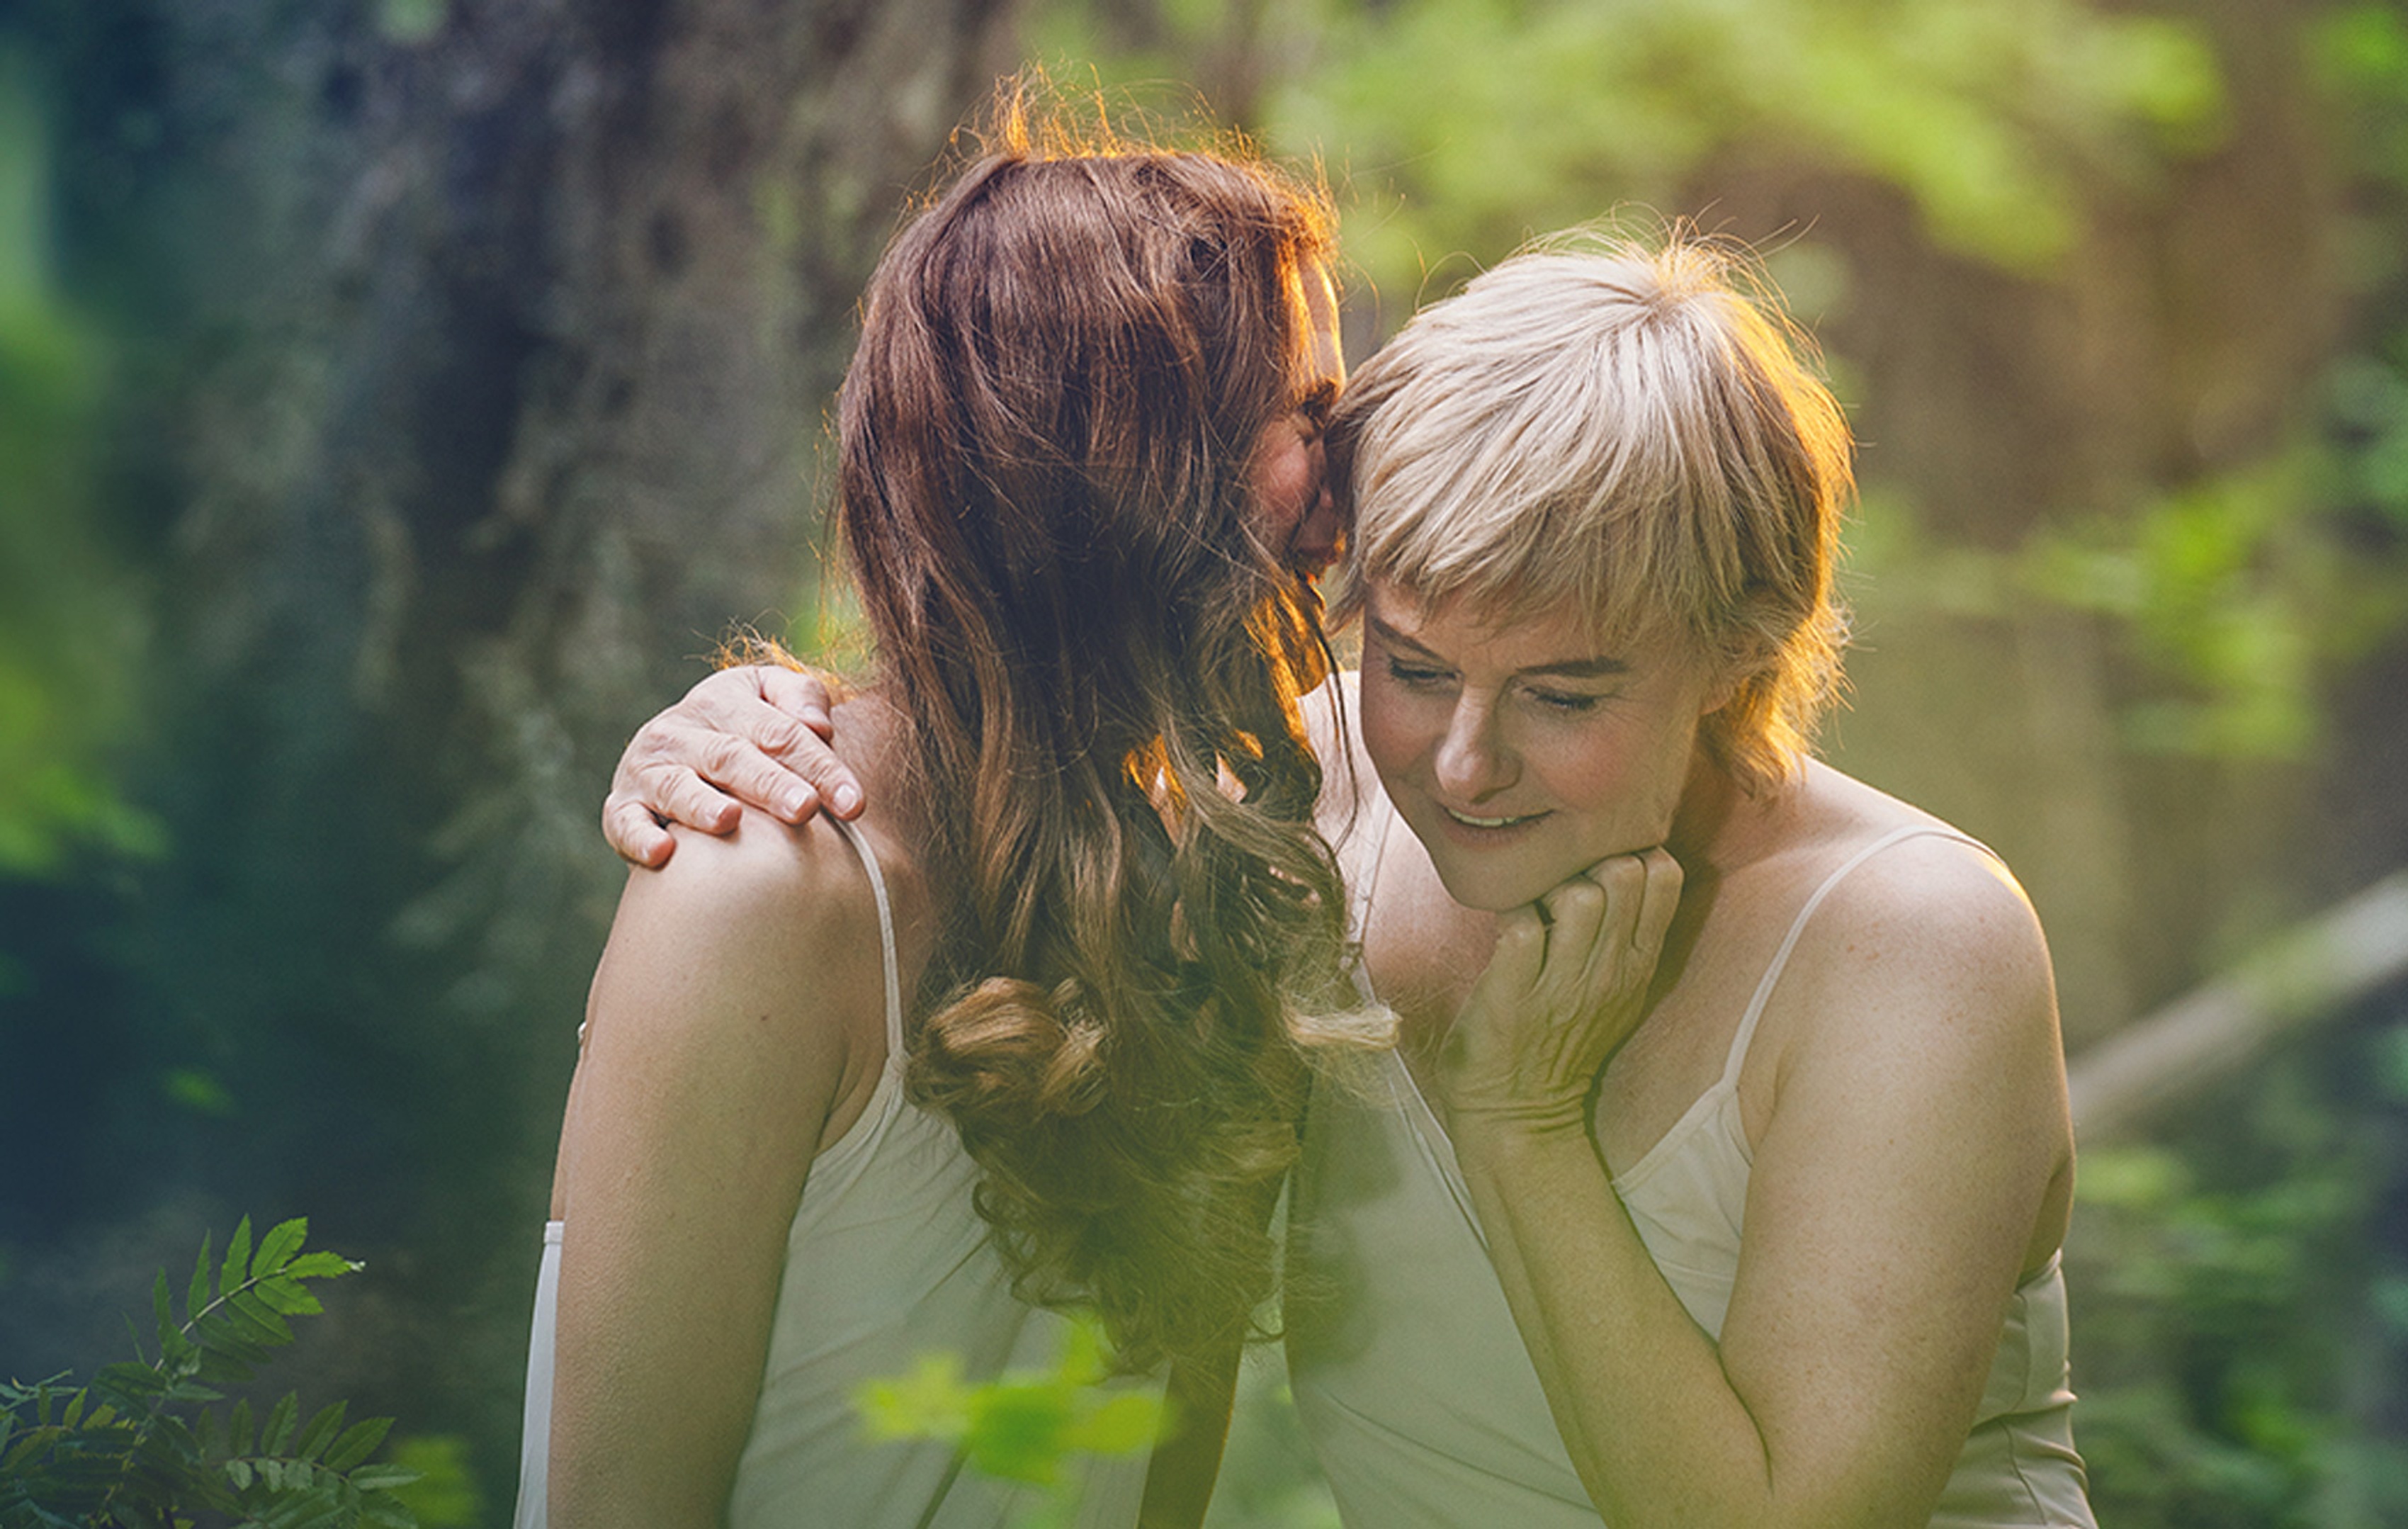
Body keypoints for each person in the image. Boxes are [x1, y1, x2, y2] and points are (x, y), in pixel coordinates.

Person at [612, 237, 2095, 1528]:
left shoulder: (1911, 944)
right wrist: (753, 721)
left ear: (1739, 654)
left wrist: (1525, 1128)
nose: (1459, 765)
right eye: (1415, 663)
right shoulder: (1309, 811)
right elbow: (1021, 734)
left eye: (1565, 695)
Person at [519, 96, 1370, 1529]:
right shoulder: (761, 896)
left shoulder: (1216, 873)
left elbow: (1163, 1469)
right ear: (1131, 457)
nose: (1347, 490)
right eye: (1308, 417)